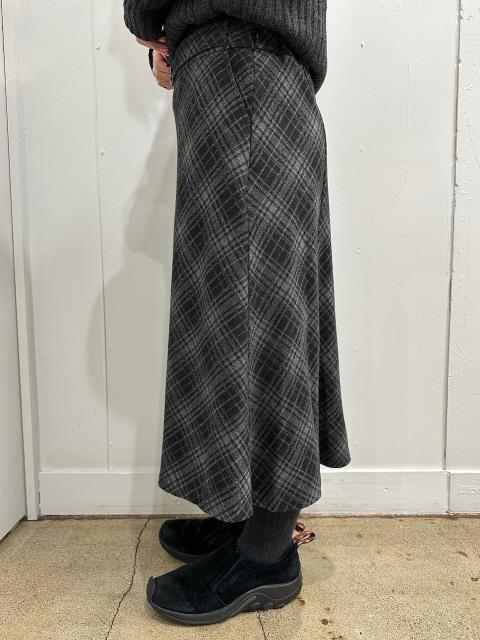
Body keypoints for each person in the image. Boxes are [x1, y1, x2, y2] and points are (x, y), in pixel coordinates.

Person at [123, 0, 351, 626]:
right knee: (245, 311)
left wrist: (147, 22)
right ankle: (244, 518)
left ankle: (266, 553)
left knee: (260, 316)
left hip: (243, 72)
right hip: (251, 77)